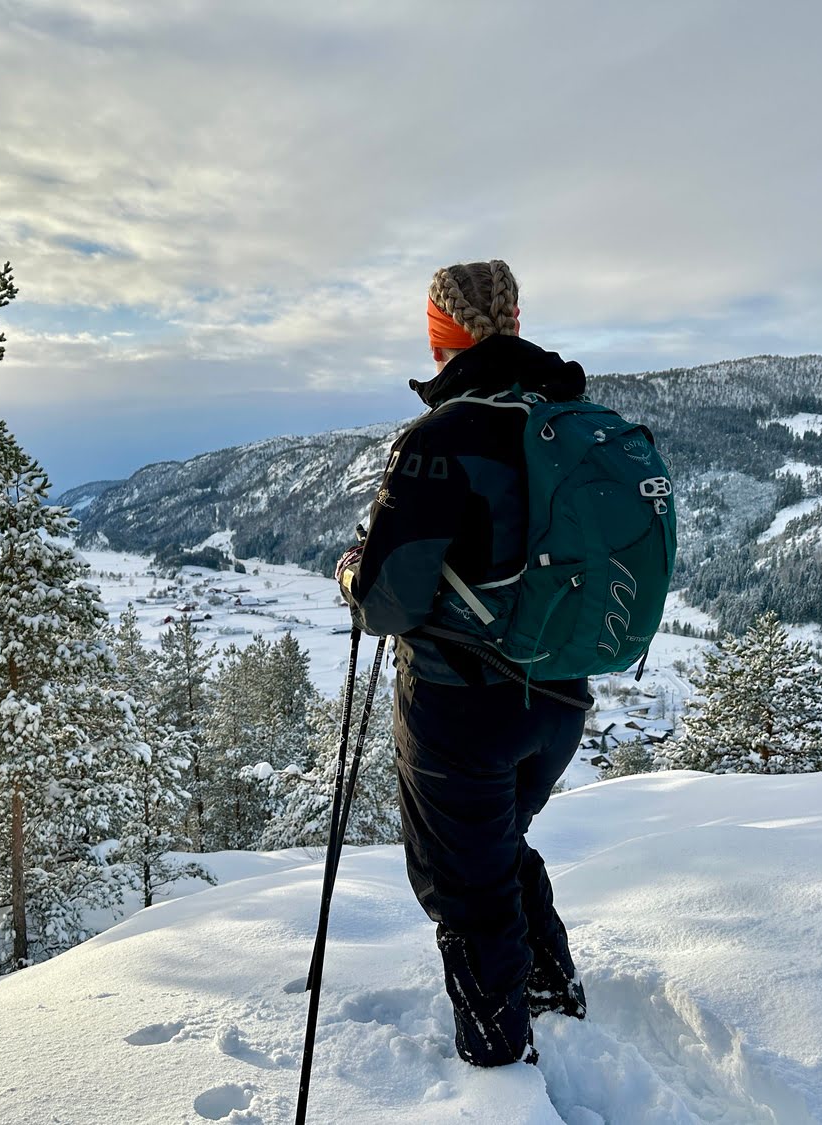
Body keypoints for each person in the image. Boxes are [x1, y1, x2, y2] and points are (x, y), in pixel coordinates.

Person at [334, 259, 591, 1068]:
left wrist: (349, 568)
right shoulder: (569, 423)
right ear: (516, 322)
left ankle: (495, 1060)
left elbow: (387, 602)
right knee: (498, 844)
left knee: (464, 884)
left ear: (440, 337)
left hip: (459, 710)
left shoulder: (441, 439)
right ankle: (554, 990)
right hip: (560, 699)